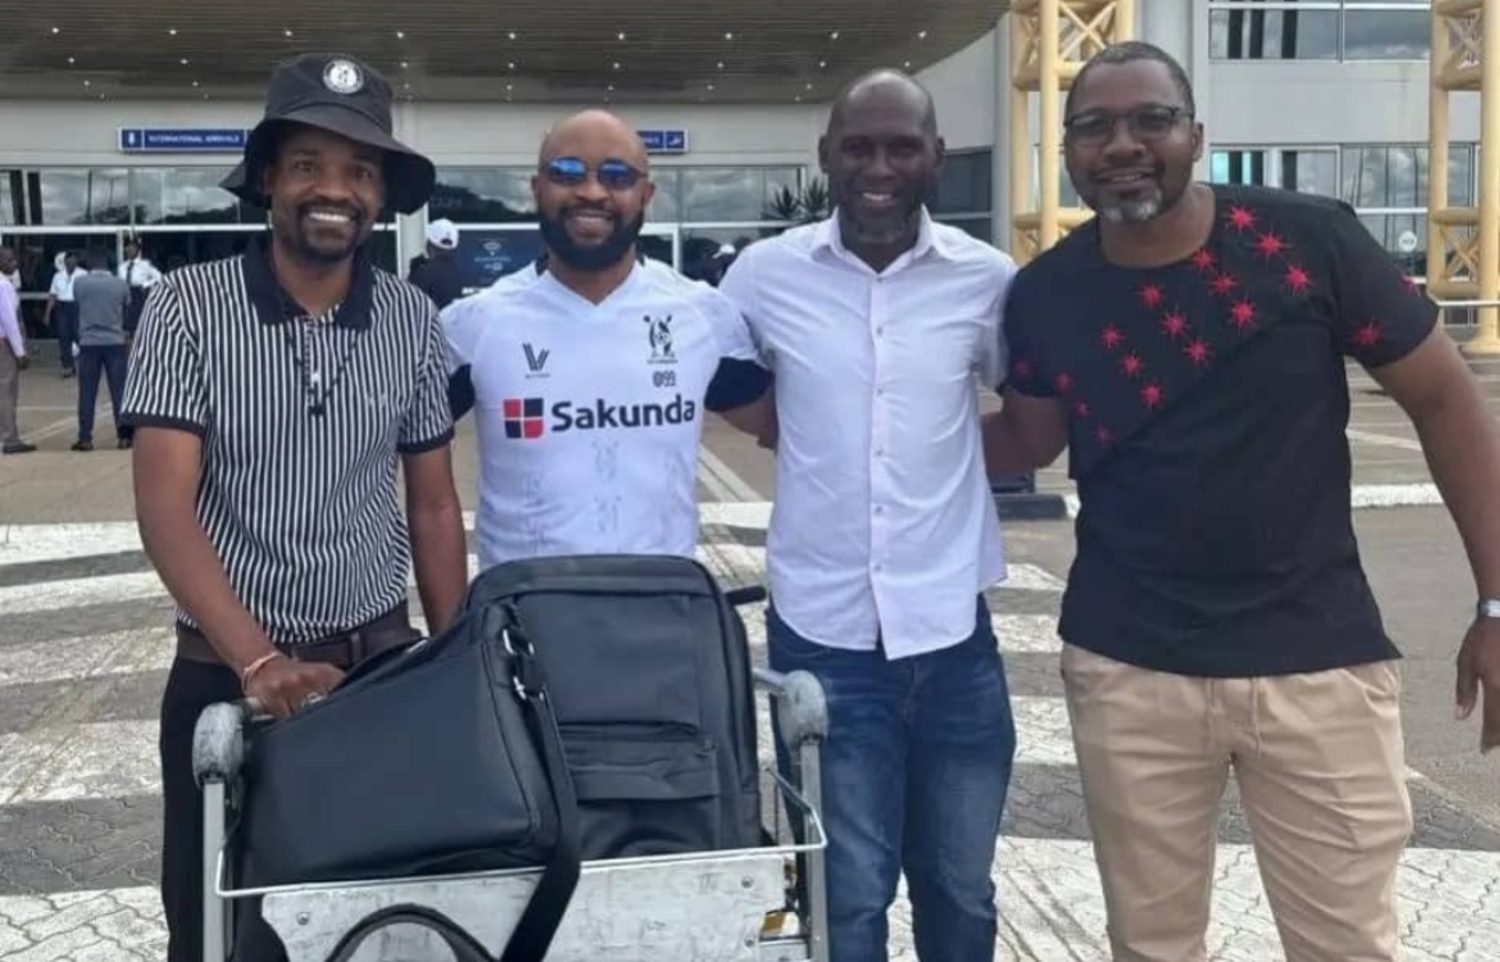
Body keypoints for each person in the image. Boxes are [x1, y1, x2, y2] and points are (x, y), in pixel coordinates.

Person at [984, 41, 1500, 962]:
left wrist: (1497, 602)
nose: (1123, 144)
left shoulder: (1309, 242)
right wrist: (856, 427)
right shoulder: (1047, 293)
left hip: (1319, 666)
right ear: (1067, 151)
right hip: (1129, 669)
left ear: (1197, 136)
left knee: (1347, 948)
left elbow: (1446, 401)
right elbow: (1028, 439)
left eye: (1152, 119)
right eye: (1094, 127)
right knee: (1151, 947)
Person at [119, 52, 468, 962]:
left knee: (378, 923)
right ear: (269, 177)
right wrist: (259, 659)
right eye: (309, 163)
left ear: (382, 197)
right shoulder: (190, 310)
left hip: (376, 669)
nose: (334, 189)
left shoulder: (410, 320)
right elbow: (165, 507)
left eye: (359, 171)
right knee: (216, 927)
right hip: (226, 680)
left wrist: (455, 654)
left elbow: (431, 506)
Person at [717, 70, 1018, 962]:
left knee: (960, 893)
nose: (878, 166)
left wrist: (942, 467)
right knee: (846, 901)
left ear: (936, 157)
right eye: (859, 146)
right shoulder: (763, 277)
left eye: (901, 146)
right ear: (826, 157)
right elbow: (735, 388)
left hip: (953, 639)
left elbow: (1025, 414)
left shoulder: (986, 280)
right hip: (825, 638)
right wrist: (813, 441)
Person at [442, 109, 772, 568]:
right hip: (523, 620)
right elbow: (393, 460)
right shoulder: (473, 324)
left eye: (617, 176)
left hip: (663, 617)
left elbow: (786, 428)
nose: (592, 191)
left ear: (646, 195)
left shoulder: (701, 315)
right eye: (567, 172)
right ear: (537, 189)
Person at [70, 247, 132, 451]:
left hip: (89, 342)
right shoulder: (120, 284)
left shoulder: (80, 283)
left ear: (89, 264)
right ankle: (124, 437)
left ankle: (85, 437)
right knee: (119, 392)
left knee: (87, 392)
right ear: (109, 264)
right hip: (114, 341)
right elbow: (127, 305)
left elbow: (78, 302)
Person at [0, 246, 34, 454]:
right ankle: (10, 438)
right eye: (10, 260)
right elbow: (9, 321)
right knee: (7, 392)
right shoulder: (3, 285)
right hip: (4, 344)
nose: (15, 264)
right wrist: (20, 352)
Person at [44, 250, 84, 378]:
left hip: (77, 306)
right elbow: (52, 295)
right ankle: (68, 366)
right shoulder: (58, 275)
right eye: (68, 262)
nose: (70, 264)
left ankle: (86, 363)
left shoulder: (83, 274)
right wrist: (47, 314)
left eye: (72, 261)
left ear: (76, 262)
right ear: (65, 262)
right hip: (62, 307)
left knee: (78, 335)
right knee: (63, 336)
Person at [409, 217, 465, 310]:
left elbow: (409, 305)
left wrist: (414, 273)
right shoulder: (458, 273)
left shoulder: (423, 273)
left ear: (429, 244)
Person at [118, 237, 163, 338]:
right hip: (125, 294)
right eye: (128, 249)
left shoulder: (145, 265)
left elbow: (159, 277)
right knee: (125, 320)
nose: (129, 251)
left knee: (138, 321)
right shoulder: (122, 266)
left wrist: (145, 284)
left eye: (132, 249)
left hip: (138, 293)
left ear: (138, 251)